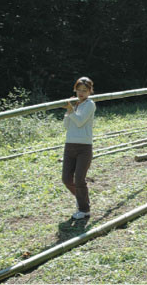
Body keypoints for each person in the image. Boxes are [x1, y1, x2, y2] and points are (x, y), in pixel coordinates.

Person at [62, 77, 96, 220]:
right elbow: (66, 125)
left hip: (84, 146)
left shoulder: (90, 104)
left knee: (79, 178)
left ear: (90, 91)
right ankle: (81, 198)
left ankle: (84, 209)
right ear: (75, 90)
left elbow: (81, 122)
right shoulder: (75, 105)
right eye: (79, 90)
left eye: (84, 90)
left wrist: (71, 111)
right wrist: (69, 111)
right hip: (70, 144)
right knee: (66, 179)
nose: (81, 93)